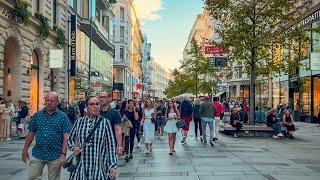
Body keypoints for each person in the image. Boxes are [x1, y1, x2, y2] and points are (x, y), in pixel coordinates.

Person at [22, 92, 72, 180]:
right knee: (33, 177)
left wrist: (63, 154)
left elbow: (66, 137)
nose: (49, 102)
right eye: (47, 100)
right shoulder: (38, 115)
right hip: (38, 154)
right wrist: (25, 149)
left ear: (57, 102)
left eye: (52, 101)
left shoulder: (63, 117)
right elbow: (31, 133)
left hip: (55, 155)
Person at [68, 95, 117, 179]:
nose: (95, 107)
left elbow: (111, 146)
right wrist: (74, 147)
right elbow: (70, 139)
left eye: (97, 104)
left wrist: (112, 165)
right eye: (91, 104)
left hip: (98, 167)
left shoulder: (105, 123)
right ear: (87, 107)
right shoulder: (79, 122)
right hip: (81, 167)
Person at [99, 92, 123, 157]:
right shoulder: (95, 112)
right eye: (100, 97)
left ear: (109, 99)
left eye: (104, 97)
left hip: (110, 146)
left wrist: (120, 146)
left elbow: (118, 130)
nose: (101, 99)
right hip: (96, 146)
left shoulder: (115, 113)